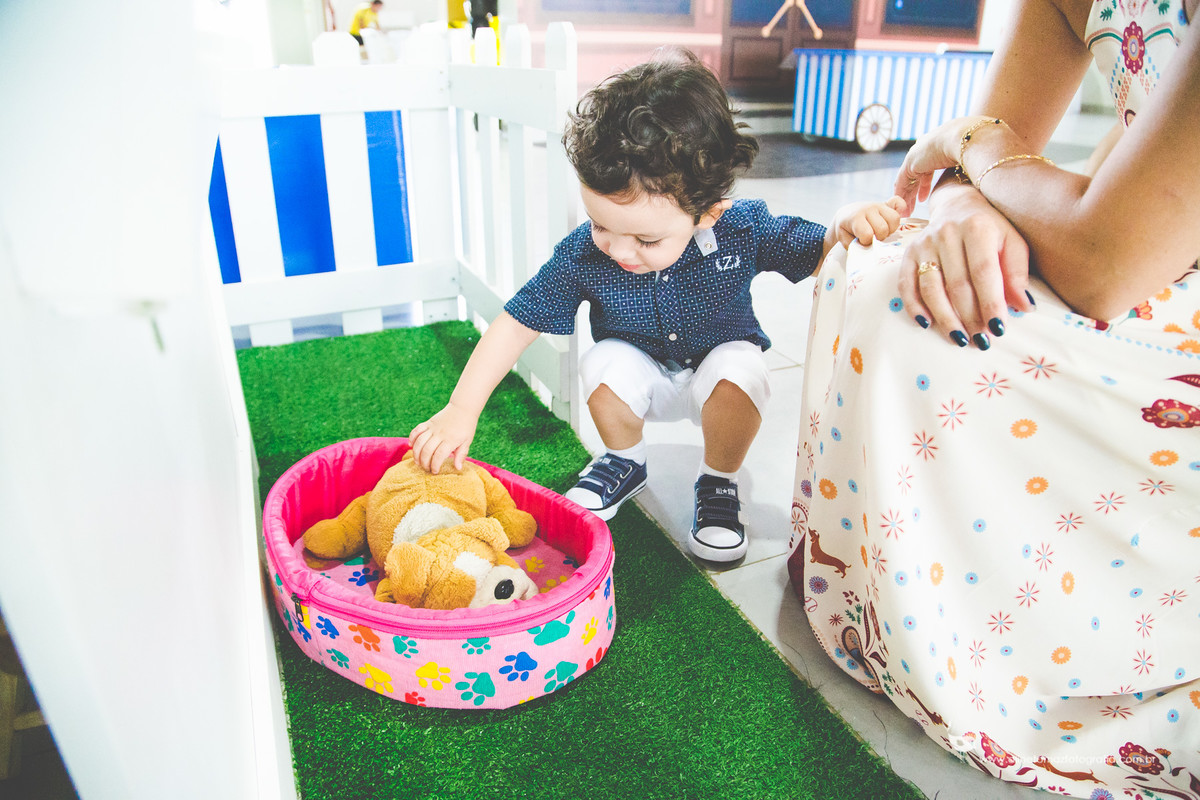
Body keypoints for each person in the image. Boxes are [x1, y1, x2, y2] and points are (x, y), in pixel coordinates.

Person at [789, 0, 1200, 796]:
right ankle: (916, 609)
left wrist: (973, 148)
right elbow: (965, 170)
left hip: (1140, 261)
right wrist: (962, 203)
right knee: (883, 269)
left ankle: (1049, 642)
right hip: (1149, 247)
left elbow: (1104, 261)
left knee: (925, 316)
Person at [410, 48, 903, 563]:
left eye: (645, 239)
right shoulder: (583, 252)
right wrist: (461, 409)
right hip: (640, 372)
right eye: (602, 225)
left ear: (707, 213)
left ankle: (718, 481)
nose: (619, 250)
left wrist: (850, 222)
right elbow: (516, 323)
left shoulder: (743, 228)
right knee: (600, 364)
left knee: (745, 370)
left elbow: (821, 248)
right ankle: (625, 460)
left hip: (716, 373)